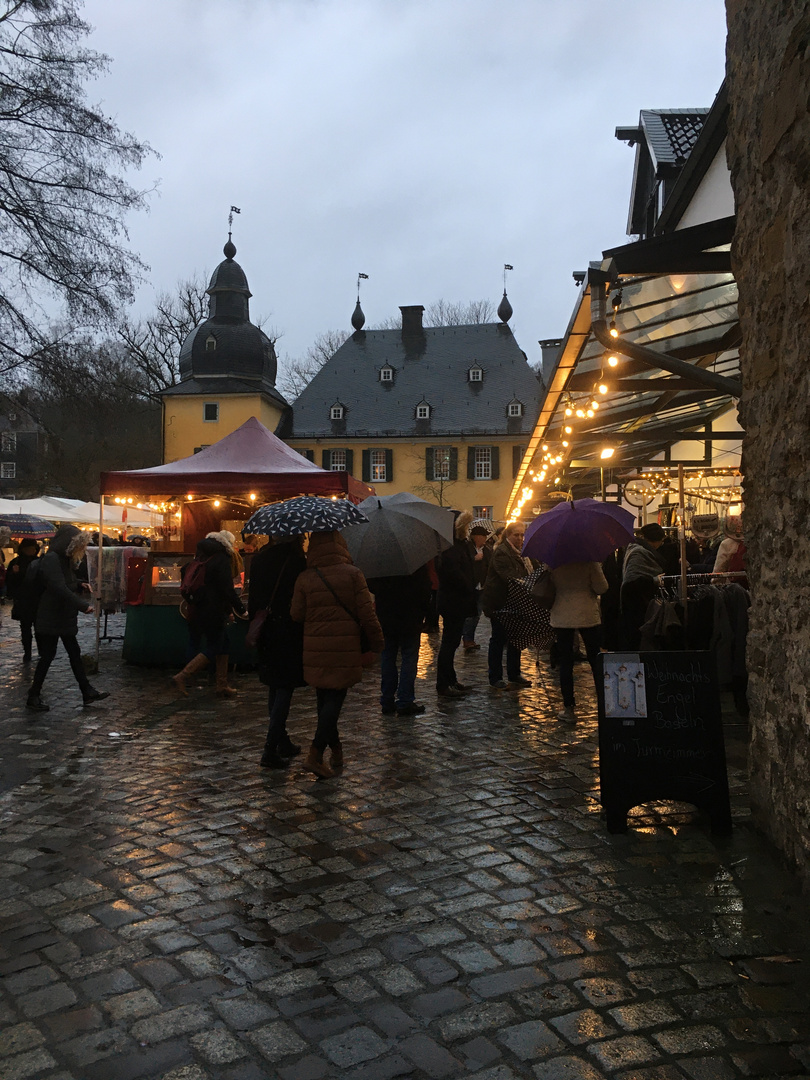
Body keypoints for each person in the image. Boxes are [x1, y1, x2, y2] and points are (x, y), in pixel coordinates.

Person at [290, 531, 383, 778]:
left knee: (325, 700)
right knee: (334, 701)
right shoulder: (353, 575)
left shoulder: (305, 577)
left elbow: (296, 614)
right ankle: (315, 754)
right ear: (341, 545)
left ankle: (337, 749)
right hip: (344, 648)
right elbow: (367, 614)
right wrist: (377, 643)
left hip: (315, 648)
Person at [26, 525, 109, 712]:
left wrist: (80, 584)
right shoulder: (52, 559)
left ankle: (86, 690)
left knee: (74, 653)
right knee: (48, 656)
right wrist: (82, 605)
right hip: (51, 616)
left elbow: (65, 583)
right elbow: (58, 587)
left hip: (62, 616)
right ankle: (33, 695)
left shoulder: (64, 559)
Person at [248, 537, 307, 768]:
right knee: (284, 686)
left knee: (275, 684)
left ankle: (282, 741)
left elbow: (254, 597)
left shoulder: (260, 559)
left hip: (266, 628)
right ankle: (270, 748)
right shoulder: (295, 560)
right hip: (288, 629)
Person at [172, 530, 246, 697]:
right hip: (213, 610)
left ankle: (222, 684)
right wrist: (240, 608)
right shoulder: (221, 559)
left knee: (223, 644)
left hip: (197, 608)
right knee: (215, 645)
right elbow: (226, 589)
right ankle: (183, 676)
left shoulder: (201, 556)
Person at [367, 564, 432, 717]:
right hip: (410, 615)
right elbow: (425, 588)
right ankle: (405, 700)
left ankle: (387, 700)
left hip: (387, 614)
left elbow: (371, 584)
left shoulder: (381, 561)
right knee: (408, 658)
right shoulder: (415, 561)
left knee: (388, 656)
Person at [550, 560, 609, 721]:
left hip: (562, 615)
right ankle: (604, 704)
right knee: (595, 659)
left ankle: (569, 707)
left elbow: (549, 587)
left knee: (566, 662)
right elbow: (602, 587)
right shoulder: (590, 562)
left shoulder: (552, 562)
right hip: (587, 614)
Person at [481, 521, 534, 689]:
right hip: (501, 603)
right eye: (516, 535)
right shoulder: (502, 553)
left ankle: (514, 673)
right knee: (498, 639)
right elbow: (511, 578)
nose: (520, 538)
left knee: (515, 639)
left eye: (521, 535)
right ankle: (495, 677)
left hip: (516, 603)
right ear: (508, 535)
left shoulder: (522, 553)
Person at [434, 511, 477, 698]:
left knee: (452, 643)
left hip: (458, 600)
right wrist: (469, 584)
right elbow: (453, 574)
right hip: (453, 601)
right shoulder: (450, 547)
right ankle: (444, 683)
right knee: (449, 644)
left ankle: (450, 679)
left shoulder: (458, 545)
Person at [619, 523, 667, 649]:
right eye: (661, 541)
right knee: (637, 638)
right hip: (636, 604)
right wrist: (655, 580)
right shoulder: (639, 552)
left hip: (637, 602)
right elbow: (633, 581)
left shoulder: (635, 549)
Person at [7, 539, 40, 663]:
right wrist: (14, 574)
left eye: (32, 548)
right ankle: (27, 652)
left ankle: (41, 650)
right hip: (23, 601)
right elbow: (10, 584)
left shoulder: (39, 562)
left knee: (39, 628)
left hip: (36, 600)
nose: (30, 551)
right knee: (25, 628)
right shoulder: (16, 562)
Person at [462, 524, 493, 650]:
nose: (485, 538)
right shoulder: (467, 548)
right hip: (470, 587)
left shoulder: (487, 550)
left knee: (477, 614)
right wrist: (473, 559)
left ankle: (469, 638)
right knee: (470, 615)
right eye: (483, 536)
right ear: (476, 537)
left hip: (482, 587)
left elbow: (490, 566)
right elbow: (462, 564)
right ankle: (467, 639)